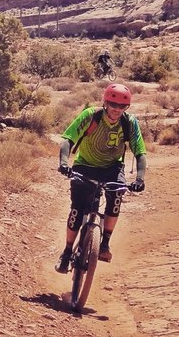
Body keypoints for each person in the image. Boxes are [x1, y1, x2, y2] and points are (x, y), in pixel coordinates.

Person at [55, 83, 147, 273]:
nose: (117, 110)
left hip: (112, 168)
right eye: (113, 105)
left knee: (115, 199)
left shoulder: (129, 123)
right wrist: (64, 163)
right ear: (105, 102)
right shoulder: (91, 115)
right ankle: (66, 252)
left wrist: (139, 178)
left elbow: (140, 152)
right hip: (85, 166)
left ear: (127, 108)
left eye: (122, 107)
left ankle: (104, 243)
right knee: (77, 210)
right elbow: (68, 139)